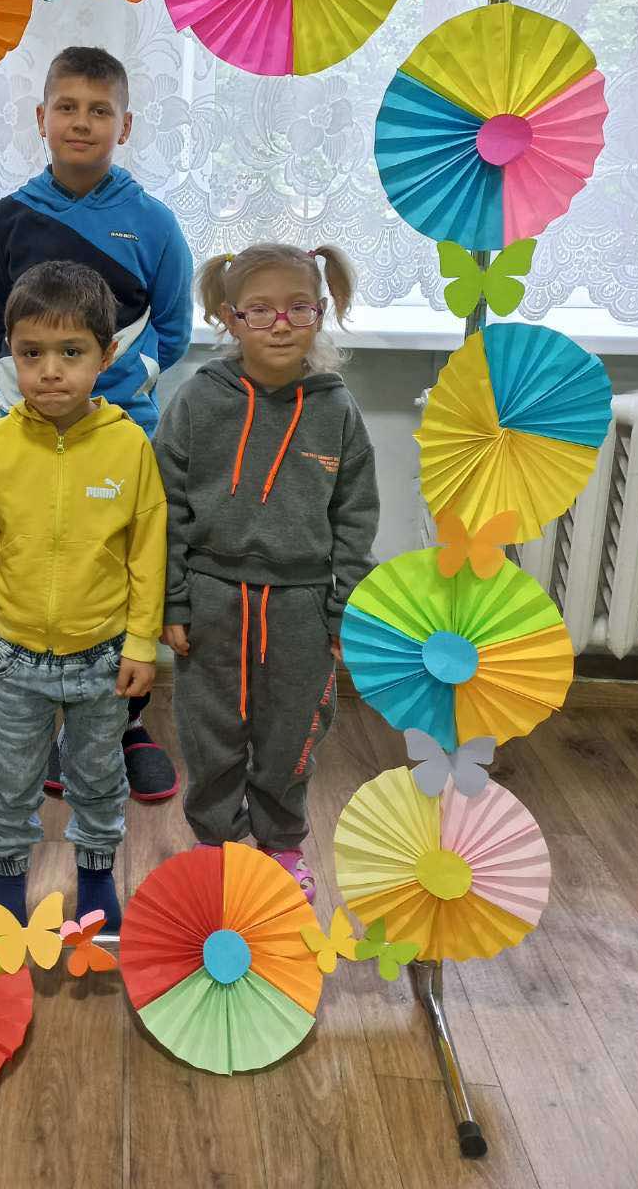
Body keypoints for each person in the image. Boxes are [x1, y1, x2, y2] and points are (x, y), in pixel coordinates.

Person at [0, 45, 191, 803]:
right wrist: (40, 390)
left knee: (117, 565)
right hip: (28, 431)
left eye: (100, 110)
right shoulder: (8, 219)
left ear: (124, 126)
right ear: (41, 117)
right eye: (66, 107)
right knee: (37, 561)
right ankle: (37, 716)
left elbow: (174, 328)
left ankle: (122, 722)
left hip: (123, 429)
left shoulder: (153, 223)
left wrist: (117, 388)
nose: (81, 122)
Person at [154, 244, 379, 900]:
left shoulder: (337, 409)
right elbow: (165, 505)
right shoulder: (198, 400)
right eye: (260, 310)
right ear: (231, 319)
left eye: (298, 308)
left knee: (292, 735)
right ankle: (216, 844)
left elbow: (355, 515)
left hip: (302, 607)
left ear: (321, 312)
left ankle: (281, 845)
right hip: (211, 598)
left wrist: (343, 609)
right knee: (211, 734)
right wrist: (173, 600)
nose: (281, 324)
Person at [0, 261, 168, 930]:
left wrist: (142, 643)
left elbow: (147, 551)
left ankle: (97, 874)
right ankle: (7, 878)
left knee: (98, 776)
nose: (50, 371)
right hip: (14, 657)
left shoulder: (130, 446)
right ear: (10, 356)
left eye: (71, 353)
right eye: (31, 354)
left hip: (103, 657)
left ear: (107, 355)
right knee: (10, 778)